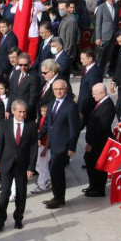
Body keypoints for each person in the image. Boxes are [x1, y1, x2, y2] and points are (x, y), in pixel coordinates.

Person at [0, 99, 38, 231]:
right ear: (13, 111)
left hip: (22, 166)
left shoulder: (31, 125)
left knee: (21, 193)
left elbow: (33, 148)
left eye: (24, 112)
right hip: (6, 164)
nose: (23, 114)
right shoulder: (5, 124)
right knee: (5, 192)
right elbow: (0, 145)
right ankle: (0, 220)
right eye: (20, 112)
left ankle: (18, 219)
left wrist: (31, 167)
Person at [39, 80, 80, 209]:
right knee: (55, 171)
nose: (58, 91)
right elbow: (47, 122)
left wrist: (72, 147)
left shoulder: (70, 106)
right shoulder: (52, 102)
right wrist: (40, 136)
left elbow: (74, 129)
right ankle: (58, 196)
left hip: (63, 145)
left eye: (61, 89)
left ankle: (59, 198)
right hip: (53, 143)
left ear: (66, 89)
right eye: (55, 89)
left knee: (56, 171)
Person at [82, 83, 115, 197]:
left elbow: (102, 128)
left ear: (103, 93)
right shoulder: (100, 103)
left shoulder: (108, 106)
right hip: (94, 142)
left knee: (99, 166)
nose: (93, 96)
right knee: (89, 162)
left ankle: (99, 189)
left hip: (100, 143)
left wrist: (91, 143)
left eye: (95, 93)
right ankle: (93, 185)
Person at [7, 53, 39, 121]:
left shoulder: (34, 76)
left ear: (30, 63)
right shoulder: (16, 73)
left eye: (25, 65)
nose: (23, 67)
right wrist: (8, 109)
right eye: (20, 65)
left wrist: (26, 112)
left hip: (26, 113)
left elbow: (33, 97)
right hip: (15, 111)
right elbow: (12, 93)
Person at [94, 0, 118, 76]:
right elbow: (98, 23)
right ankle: (97, 72)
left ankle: (106, 71)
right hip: (103, 36)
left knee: (109, 56)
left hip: (112, 36)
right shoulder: (101, 7)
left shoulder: (116, 7)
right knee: (100, 56)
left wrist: (116, 36)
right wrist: (98, 37)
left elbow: (115, 22)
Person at [78, 49, 104, 125]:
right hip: (83, 105)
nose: (80, 60)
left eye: (83, 58)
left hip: (87, 108)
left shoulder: (94, 72)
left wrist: (83, 110)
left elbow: (92, 92)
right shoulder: (87, 69)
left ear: (90, 59)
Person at [31, 104, 51, 194]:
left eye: (45, 111)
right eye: (42, 111)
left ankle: (41, 185)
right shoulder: (42, 119)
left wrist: (45, 149)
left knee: (42, 166)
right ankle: (48, 178)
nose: (43, 113)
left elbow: (49, 137)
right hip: (40, 145)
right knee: (39, 165)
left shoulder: (49, 121)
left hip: (45, 147)